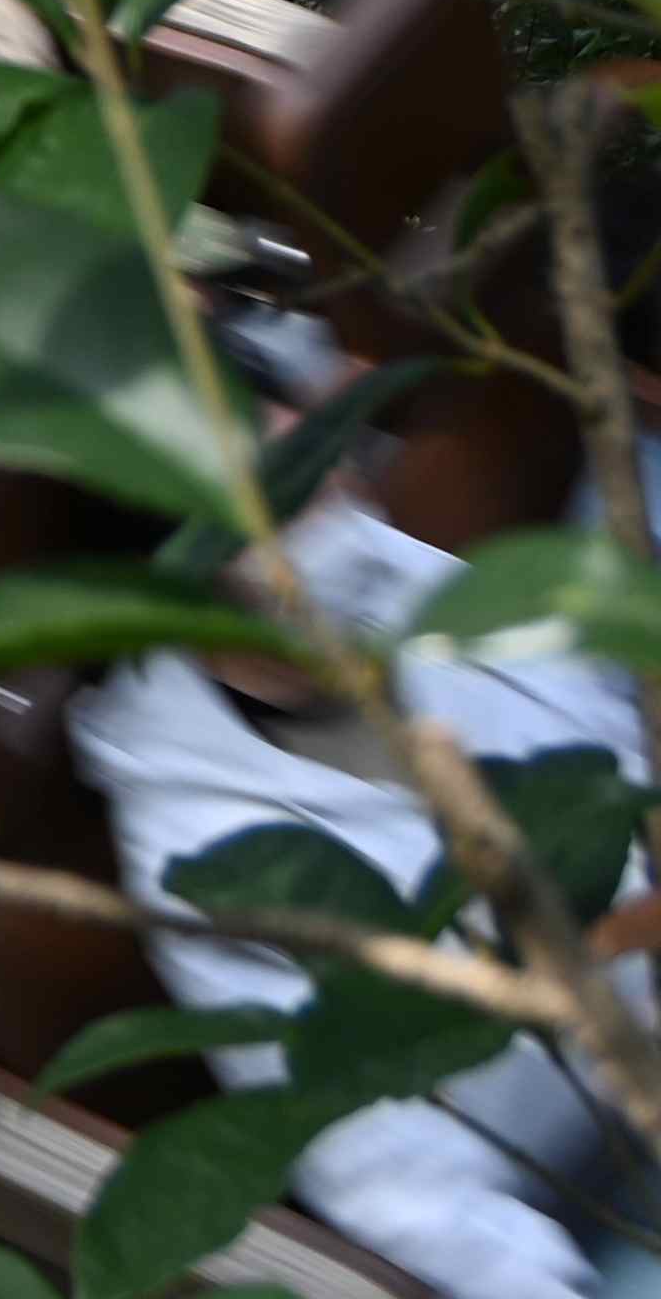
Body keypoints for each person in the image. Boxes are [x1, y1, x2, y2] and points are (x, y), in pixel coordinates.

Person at [72, 497, 661, 1299]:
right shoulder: (199, 853)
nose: (338, 513)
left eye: (325, 470)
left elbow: (616, 722)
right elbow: (391, 1178)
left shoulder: (405, 581)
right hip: (591, 1189)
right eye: (287, 504)